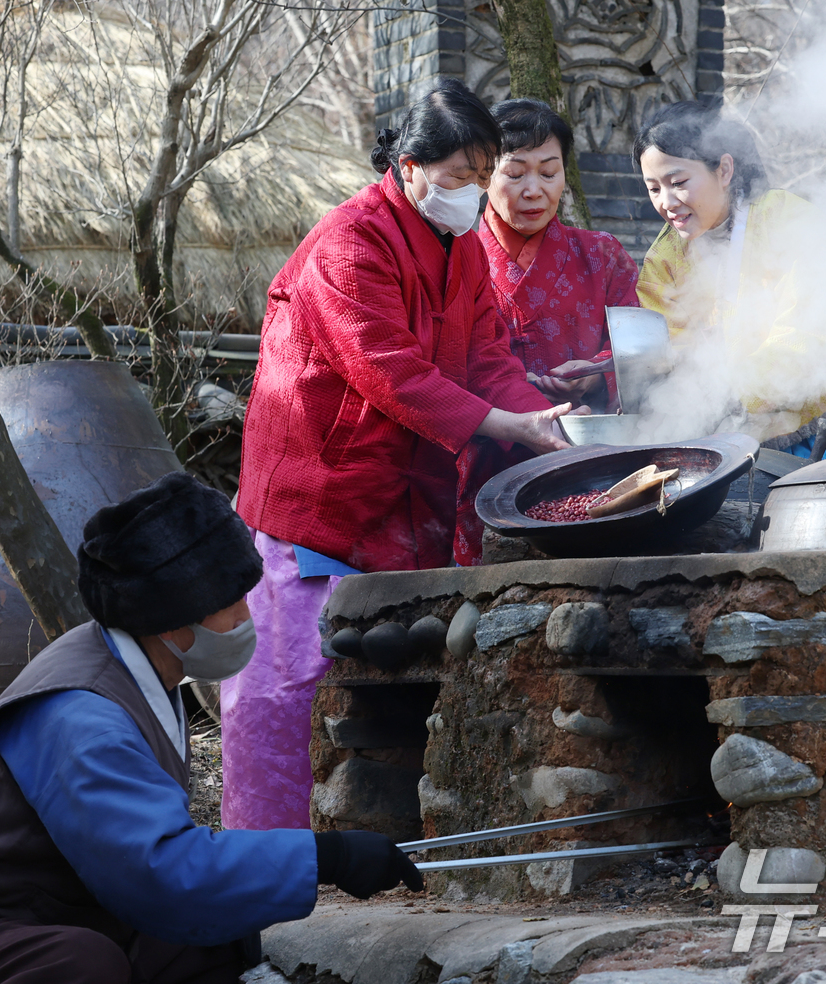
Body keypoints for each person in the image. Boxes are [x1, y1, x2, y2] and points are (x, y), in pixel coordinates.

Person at [0, 472, 423, 984]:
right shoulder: (80, 713)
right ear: (172, 617)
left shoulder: (148, 666)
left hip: (64, 909)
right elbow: (158, 870)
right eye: (230, 604)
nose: (244, 618)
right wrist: (327, 857)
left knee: (222, 938)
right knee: (83, 968)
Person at [230, 79, 578, 831]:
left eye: (482, 178)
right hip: (319, 498)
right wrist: (499, 423)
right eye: (461, 178)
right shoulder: (349, 242)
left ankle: (361, 847)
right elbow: (387, 368)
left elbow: (487, 359)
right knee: (286, 689)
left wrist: (539, 419)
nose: (474, 193)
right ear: (411, 166)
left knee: (376, 688)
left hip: (401, 499)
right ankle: (262, 853)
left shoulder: (461, 251)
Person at [633, 101, 826, 455]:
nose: (667, 202)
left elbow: (813, 332)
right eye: (653, 189)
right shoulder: (664, 258)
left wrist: (729, 385)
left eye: (678, 182)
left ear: (724, 170)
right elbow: (667, 348)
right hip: (721, 432)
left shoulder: (787, 221)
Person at [452, 98, 641, 565]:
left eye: (549, 172)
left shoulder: (602, 255)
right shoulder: (454, 258)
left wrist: (599, 373)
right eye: (514, 174)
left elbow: (640, 355)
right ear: (483, 177)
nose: (533, 190)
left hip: (583, 461)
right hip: (481, 461)